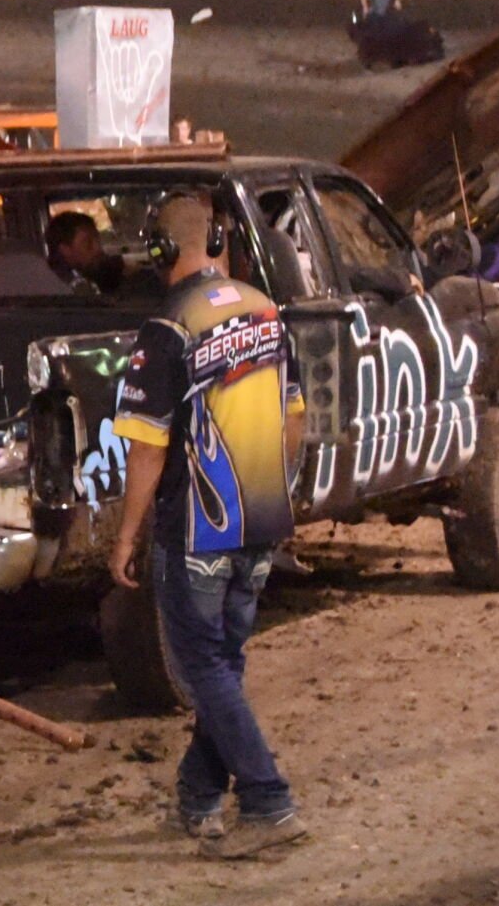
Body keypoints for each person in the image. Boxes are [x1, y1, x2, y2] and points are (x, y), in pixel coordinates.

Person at [108, 194, 307, 859]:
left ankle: (267, 799)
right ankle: (197, 799)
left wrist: (125, 535)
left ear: (159, 253)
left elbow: (147, 447)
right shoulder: (264, 309)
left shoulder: (167, 327)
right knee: (221, 665)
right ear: (218, 238)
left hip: (194, 531)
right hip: (260, 520)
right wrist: (280, 492)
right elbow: (296, 415)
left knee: (205, 672)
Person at [45, 211, 123, 294]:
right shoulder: (67, 290)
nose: (98, 248)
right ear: (65, 250)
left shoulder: (95, 274)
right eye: (88, 243)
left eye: (98, 240)